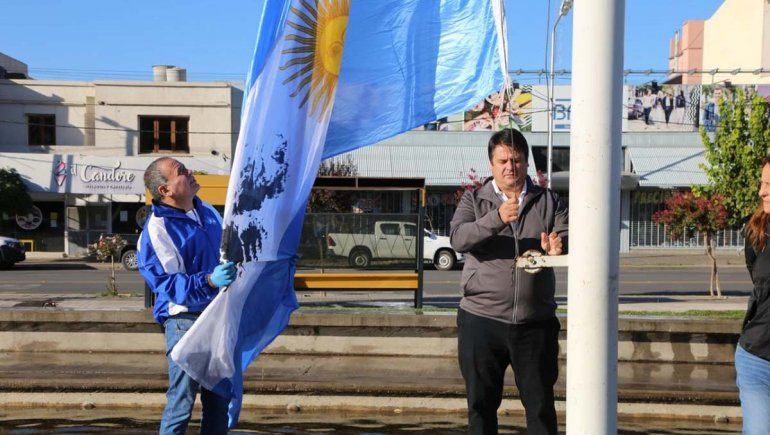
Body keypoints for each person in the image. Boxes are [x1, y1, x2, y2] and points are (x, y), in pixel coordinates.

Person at [450, 128, 568, 435]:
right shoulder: (473, 199)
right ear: (491, 164)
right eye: (502, 160)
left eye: (515, 160)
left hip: (535, 323)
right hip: (481, 320)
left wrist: (559, 246)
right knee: (480, 407)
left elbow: (567, 235)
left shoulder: (549, 200)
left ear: (527, 162)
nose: (509, 167)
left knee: (541, 408)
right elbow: (459, 239)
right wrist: (496, 218)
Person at [137, 157, 237, 434]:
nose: (190, 172)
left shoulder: (207, 211)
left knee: (219, 400)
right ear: (165, 190)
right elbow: (168, 285)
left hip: (218, 317)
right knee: (181, 403)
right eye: (181, 172)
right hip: (186, 322)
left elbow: (228, 251)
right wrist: (209, 280)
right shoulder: (157, 229)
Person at [738, 156, 770, 434]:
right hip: (756, 357)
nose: (762, 192)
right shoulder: (755, 232)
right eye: (762, 183)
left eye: (769, 185)